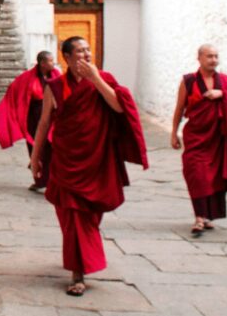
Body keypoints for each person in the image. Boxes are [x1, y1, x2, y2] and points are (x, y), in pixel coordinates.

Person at [29, 36, 148, 297]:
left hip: (97, 159)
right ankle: (77, 272)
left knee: (89, 216)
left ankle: (78, 259)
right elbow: (44, 123)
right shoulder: (56, 86)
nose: (86, 55)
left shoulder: (103, 79)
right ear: (68, 59)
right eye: (80, 52)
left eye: (88, 50)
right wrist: (35, 156)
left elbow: (119, 106)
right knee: (71, 216)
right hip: (65, 159)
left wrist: (96, 80)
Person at [170, 44, 227, 237]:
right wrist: (174, 132)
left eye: (216, 56)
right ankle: (199, 216)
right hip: (196, 136)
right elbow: (180, 108)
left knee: (214, 176)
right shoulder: (188, 81)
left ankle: (205, 216)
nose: (213, 60)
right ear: (199, 58)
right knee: (196, 174)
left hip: (219, 139)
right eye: (209, 56)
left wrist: (222, 94)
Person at [0, 51, 61, 190]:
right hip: (34, 118)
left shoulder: (56, 75)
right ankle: (40, 180)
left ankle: (52, 180)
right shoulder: (28, 77)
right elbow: (14, 91)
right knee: (35, 146)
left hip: (52, 117)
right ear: (42, 63)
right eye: (50, 61)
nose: (53, 64)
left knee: (50, 148)